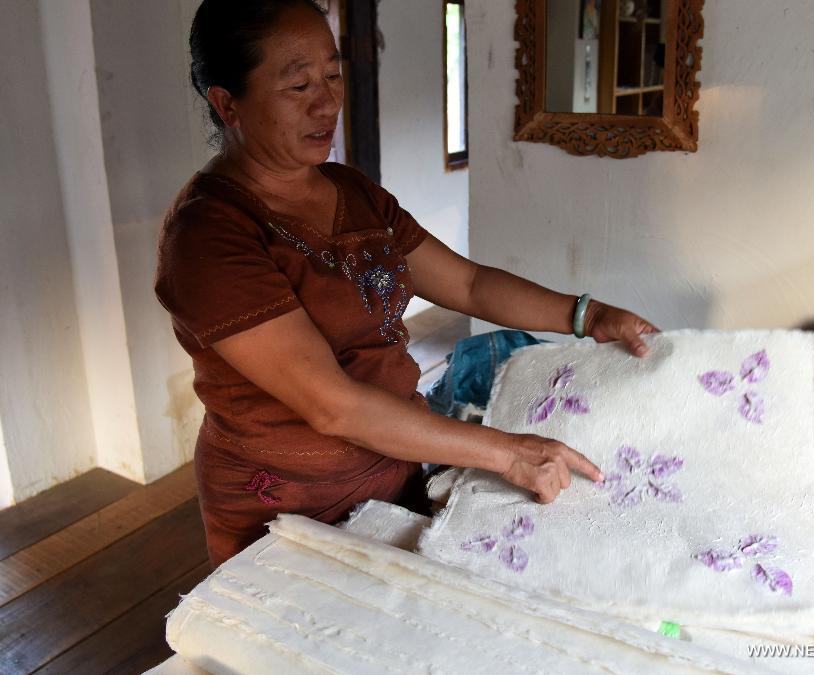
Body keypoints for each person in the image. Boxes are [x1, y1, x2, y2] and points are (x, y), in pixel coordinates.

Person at [155, 0, 658, 567]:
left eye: (333, 74)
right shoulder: (208, 237)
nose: (327, 102)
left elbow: (467, 284)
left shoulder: (352, 192)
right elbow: (335, 407)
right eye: (297, 85)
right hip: (290, 503)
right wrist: (510, 453)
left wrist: (586, 316)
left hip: (395, 461)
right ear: (228, 104)